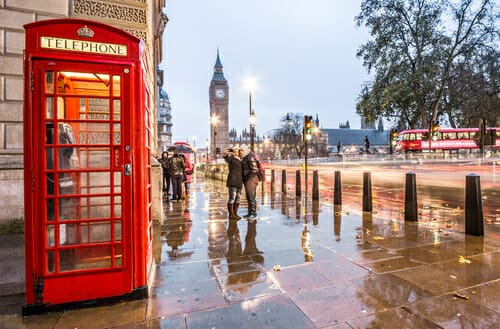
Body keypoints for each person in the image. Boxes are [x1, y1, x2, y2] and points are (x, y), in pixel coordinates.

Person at [240, 144, 260, 220]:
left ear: (244, 150)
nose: (240, 152)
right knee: (248, 197)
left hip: (251, 179)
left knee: (251, 197)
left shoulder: (250, 156)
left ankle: (253, 214)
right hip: (248, 180)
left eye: (241, 151)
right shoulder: (245, 157)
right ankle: (250, 213)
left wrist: (248, 177)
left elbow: (254, 169)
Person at [223, 146, 243, 219]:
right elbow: (226, 157)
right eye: (235, 151)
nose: (237, 152)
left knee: (238, 198)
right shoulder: (231, 158)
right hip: (232, 180)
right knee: (232, 198)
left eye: (238, 151)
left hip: (239, 181)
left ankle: (235, 213)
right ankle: (231, 215)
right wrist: (226, 152)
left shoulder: (241, 160)